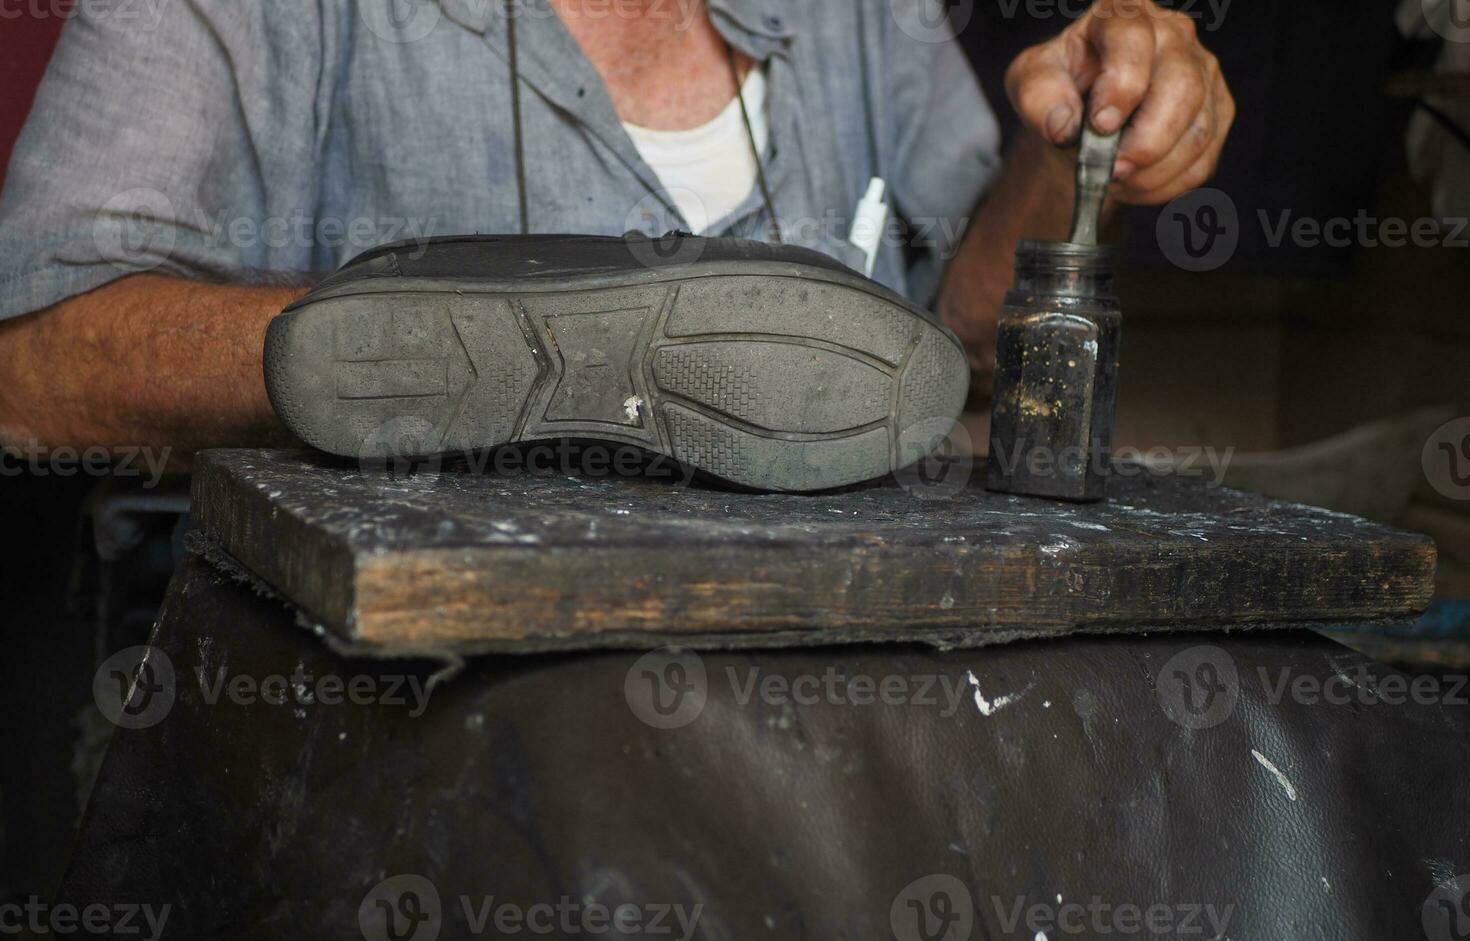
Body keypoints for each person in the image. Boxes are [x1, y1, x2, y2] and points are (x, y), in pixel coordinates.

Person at [0, 0, 1231, 482]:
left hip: (828, 709)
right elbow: (35, 364)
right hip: (430, 711)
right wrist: (442, 354)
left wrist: (1075, 144)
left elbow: (958, 330)